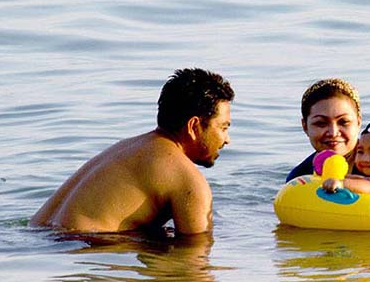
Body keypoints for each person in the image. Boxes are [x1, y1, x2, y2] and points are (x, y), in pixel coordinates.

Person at [30, 68, 234, 234]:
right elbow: (196, 262)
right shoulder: (187, 179)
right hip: (84, 250)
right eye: (223, 127)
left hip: (38, 235)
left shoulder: (127, 148)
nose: (227, 140)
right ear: (194, 126)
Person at [286, 78, 370, 182]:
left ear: (358, 123)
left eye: (343, 122)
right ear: (305, 126)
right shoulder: (300, 177)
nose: (334, 133)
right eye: (321, 123)